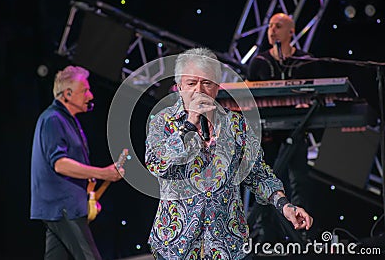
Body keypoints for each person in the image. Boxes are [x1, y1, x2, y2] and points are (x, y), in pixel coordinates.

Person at [145, 47, 313, 260]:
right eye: (191, 83)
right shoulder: (163, 122)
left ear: (217, 87)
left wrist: (285, 206)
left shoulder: (235, 124)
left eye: (206, 83)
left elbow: (257, 173)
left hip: (227, 243)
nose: (199, 90)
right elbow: (157, 164)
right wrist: (189, 125)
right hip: (177, 243)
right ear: (178, 87)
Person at [30, 65, 125, 260]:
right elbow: (59, 164)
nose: (90, 96)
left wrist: (88, 194)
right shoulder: (53, 120)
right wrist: (103, 173)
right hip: (63, 206)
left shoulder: (67, 121)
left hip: (63, 207)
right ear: (67, 94)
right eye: (85, 90)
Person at [246, 13, 315, 243]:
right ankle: (267, 240)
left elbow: (316, 95)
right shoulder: (260, 62)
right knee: (266, 184)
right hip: (267, 134)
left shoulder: (306, 61)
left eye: (278, 26)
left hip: (297, 131)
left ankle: (301, 237)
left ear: (291, 32)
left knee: (299, 183)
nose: (272, 30)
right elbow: (248, 98)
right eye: (270, 26)